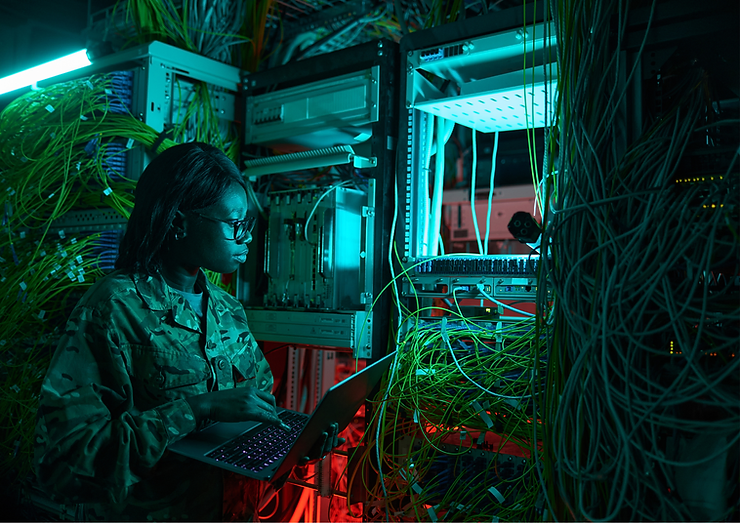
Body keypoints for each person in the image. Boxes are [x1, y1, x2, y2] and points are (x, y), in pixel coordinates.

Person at [33, 142, 339, 521]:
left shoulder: (227, 310)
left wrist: (290, 444)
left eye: (248, 225)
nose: (246, 238)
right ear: (179, 222)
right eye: (234, 225)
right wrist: (197, 410)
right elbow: (63, 461)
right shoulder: (113, 308)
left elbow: (252, 411)